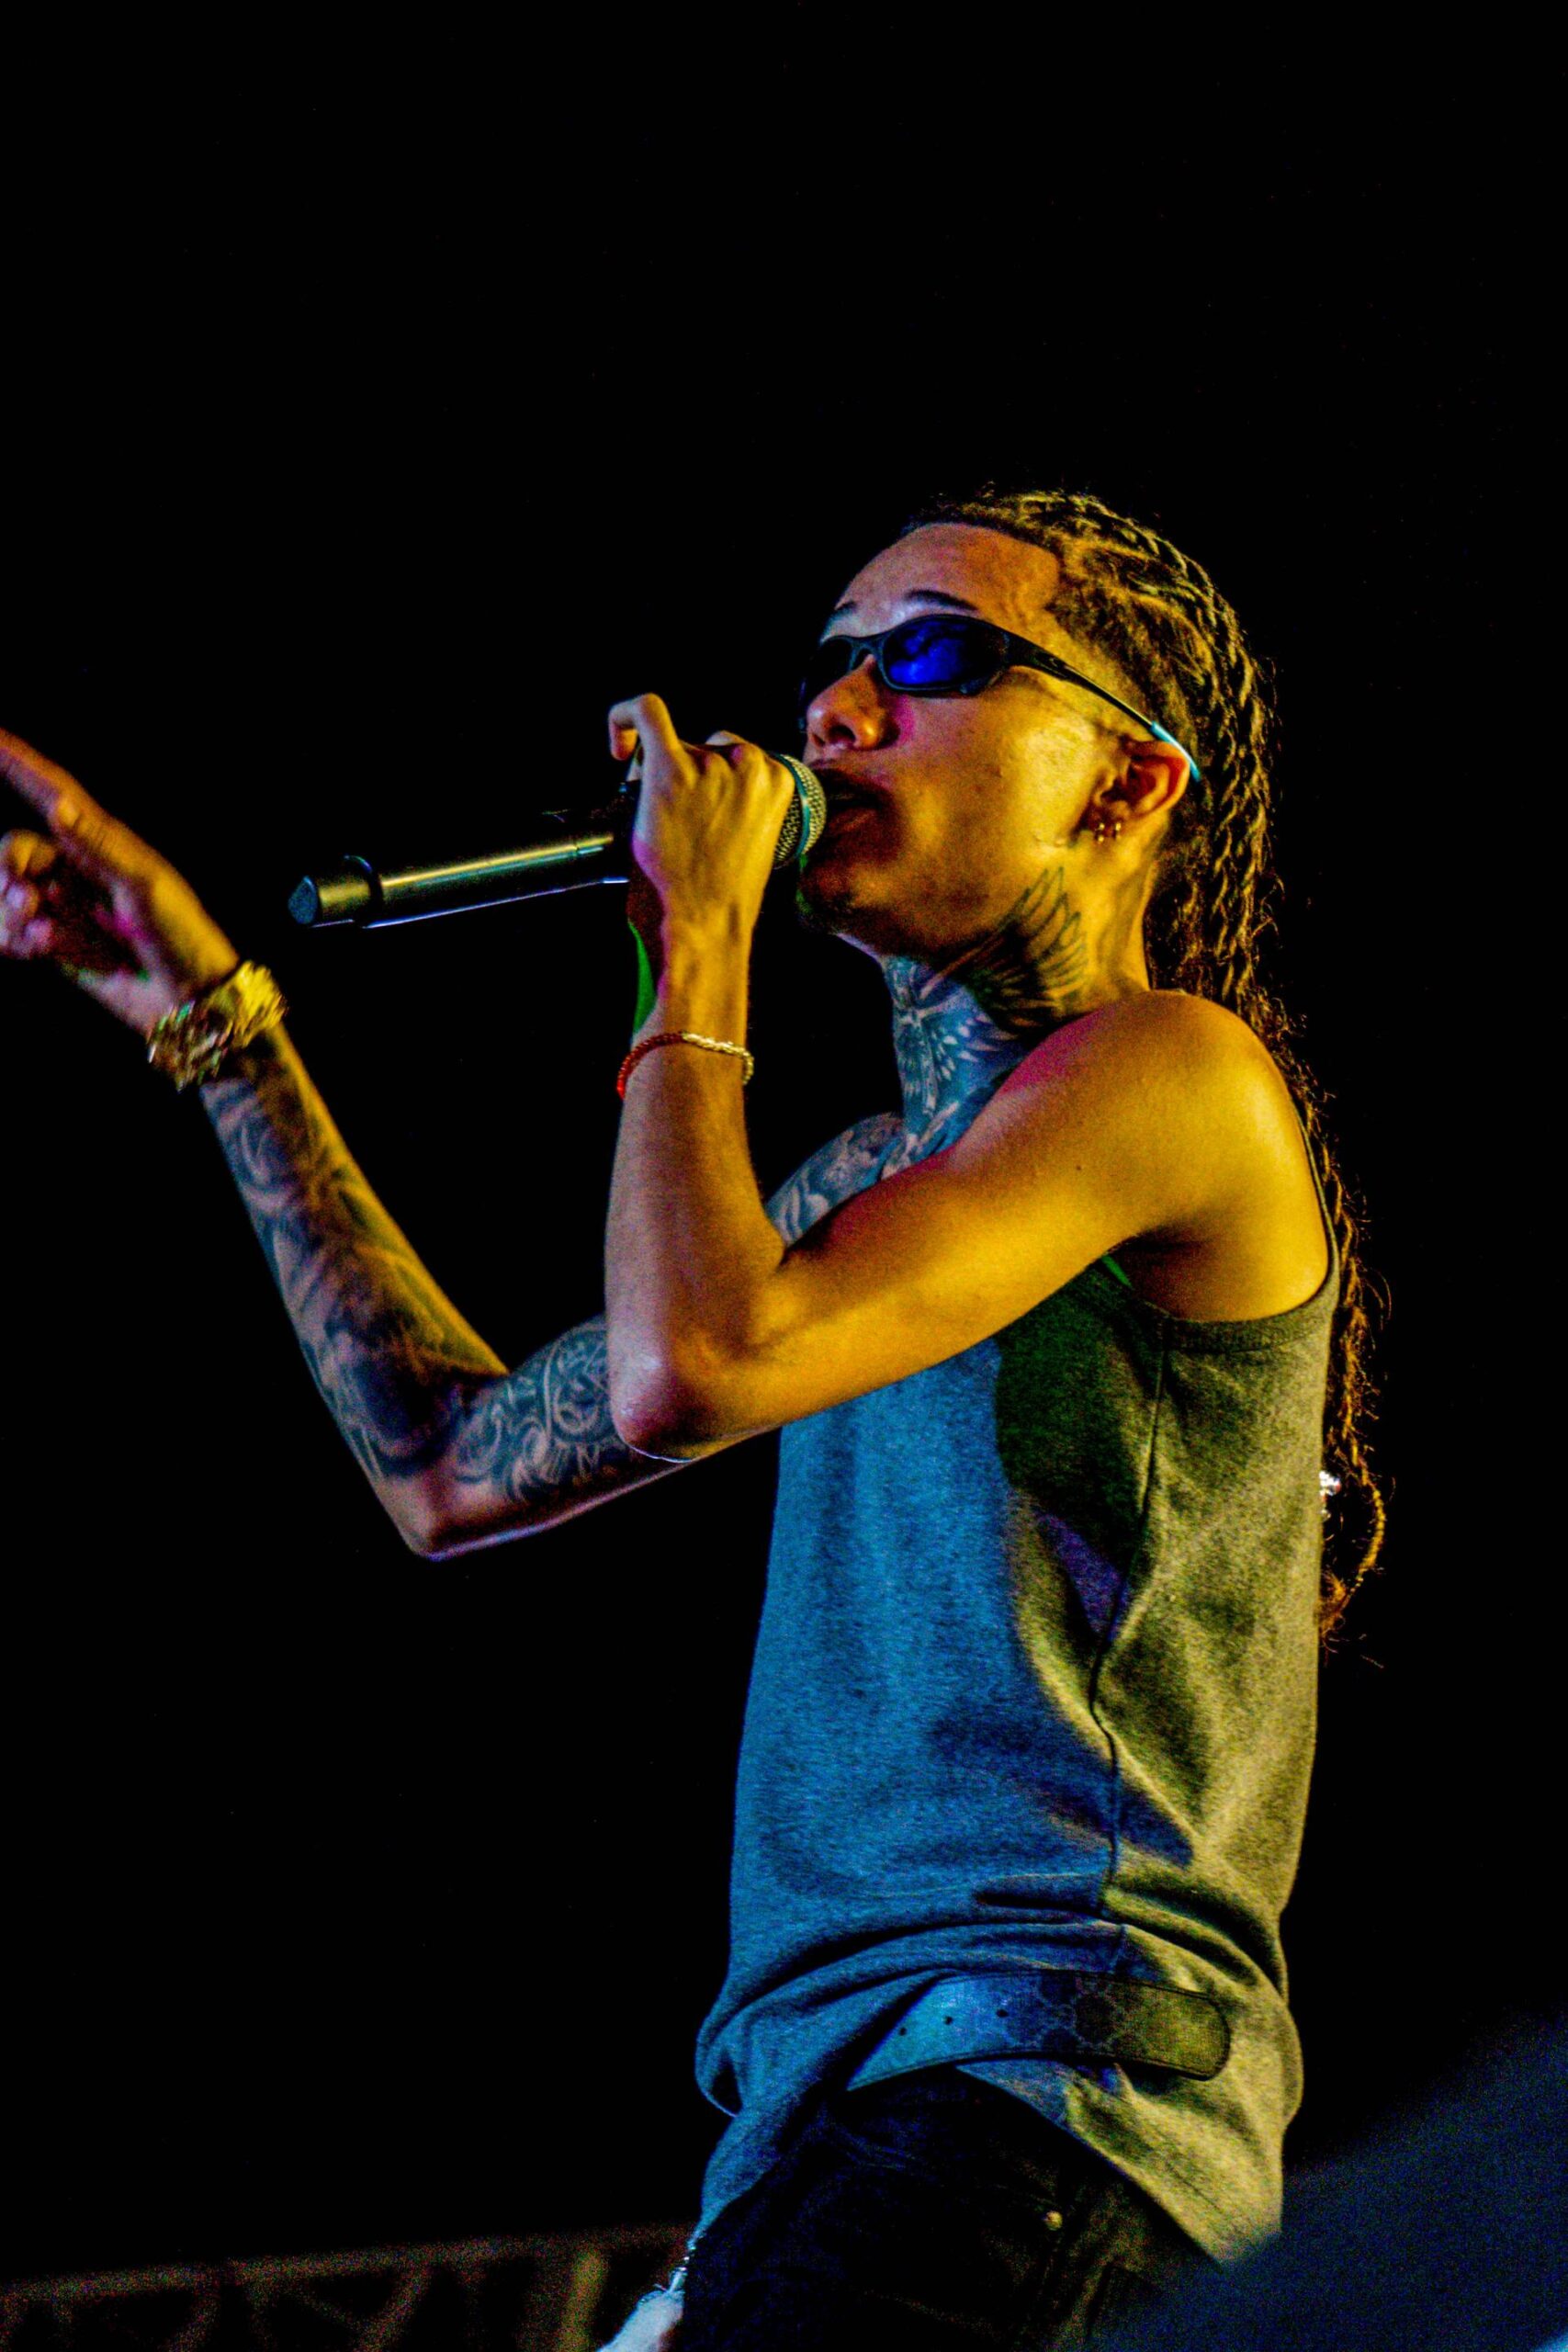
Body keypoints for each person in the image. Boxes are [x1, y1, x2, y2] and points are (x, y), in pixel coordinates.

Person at [0, 489, 1382, 2350]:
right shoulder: (866, 1193)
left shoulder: (1171, 1074)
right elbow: (447, 1469)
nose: (838, 710)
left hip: (1023, 2123)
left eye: (936, 657)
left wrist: (696, 946)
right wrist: (221, 1022)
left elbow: (689, 1364)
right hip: (842, 2138)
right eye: (831, 662)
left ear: (1128, 784)